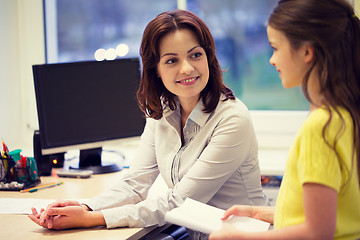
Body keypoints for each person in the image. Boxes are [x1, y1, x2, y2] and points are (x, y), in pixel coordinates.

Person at [28, 9, 267, 239]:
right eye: (172, 60)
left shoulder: (232, 119)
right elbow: (135, 185)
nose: (187, 68)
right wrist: (83, 206)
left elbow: (180, 203)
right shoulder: (163, 112)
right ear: (157, 71)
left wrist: (92, 218)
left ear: (209, 57)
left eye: (195, 55)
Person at [209, 0, 360, 239]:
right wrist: (260, 213)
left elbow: (318, 232)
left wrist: (239, 237)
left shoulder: (321, 126)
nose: (271, 59)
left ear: (307, 52)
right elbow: (329, 213)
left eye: (276, 48)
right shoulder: (345, 114)